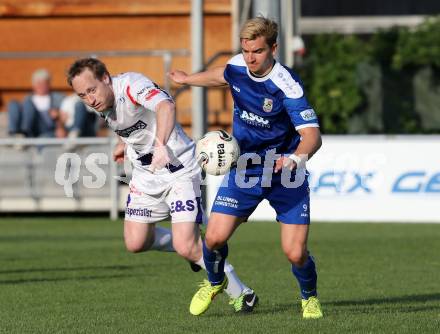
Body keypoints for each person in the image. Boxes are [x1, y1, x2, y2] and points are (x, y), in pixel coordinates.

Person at [66, 58, 258, 313]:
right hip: (146, 175)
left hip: (179, 168)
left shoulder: (132, 86)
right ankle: (193, 244)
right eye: (82, 95)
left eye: (91, 90)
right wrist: (127, 144)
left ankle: (241, 292)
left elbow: (165, 106)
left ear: (105, 78)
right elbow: (134, 125)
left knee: (185, 247)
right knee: (136, 242)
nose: (90, 99)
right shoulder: (102, 102)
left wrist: (160, 145)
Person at [169, 16, 323, 318]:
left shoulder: (286, 85)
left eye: (258, 51)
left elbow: (312, 136)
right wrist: (188, 79)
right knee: (212, 239)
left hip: (285, 173)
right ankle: (215, 282)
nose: (250, 58)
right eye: (246, 50)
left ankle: (309, 297)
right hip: (245, 169)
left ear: (273, 49)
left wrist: (295, 158)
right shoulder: (239, 65)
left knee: (295, 252)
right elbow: (223, 75)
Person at [8, 68, 64, 138]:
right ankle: (15, 133)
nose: (41, 86)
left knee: (28, 104)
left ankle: (25, 133)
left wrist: (58, 116)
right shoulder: (28, 98)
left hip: (48, 126)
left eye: (44, 83)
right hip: (32, 126)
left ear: (49, 84)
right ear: (33, 85)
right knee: (14, 103)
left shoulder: (57, 97)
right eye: (38, 83)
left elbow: (64, 113)